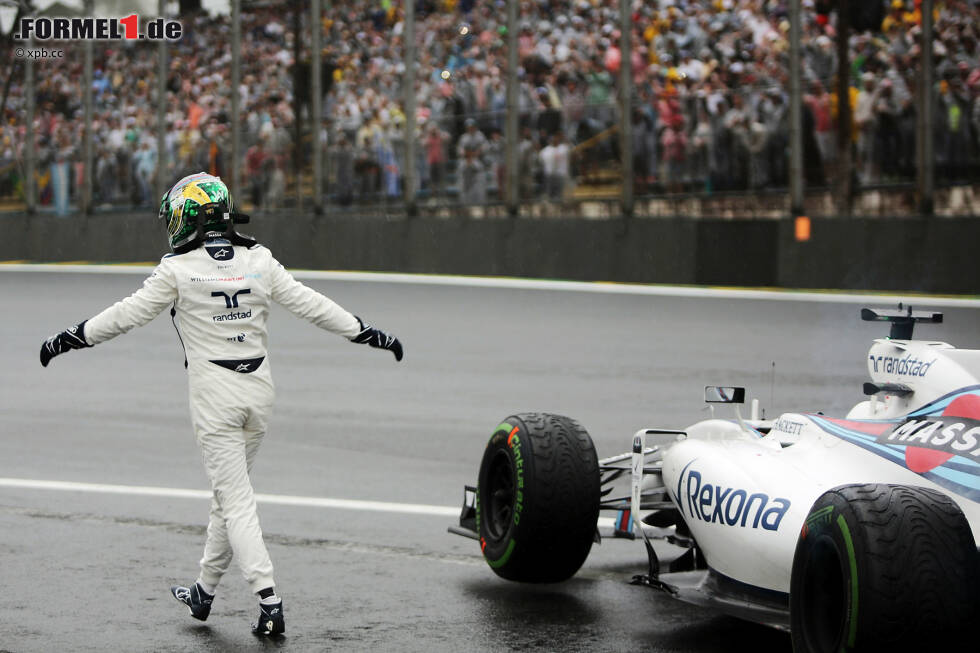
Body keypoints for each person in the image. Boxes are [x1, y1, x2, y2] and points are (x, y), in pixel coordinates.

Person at [38, 172, 403, 636]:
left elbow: (124, 316)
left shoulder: (178, 269)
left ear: (189, 218)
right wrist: (368, 333)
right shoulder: (259, 259)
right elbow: (312, 304)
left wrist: (68, 339)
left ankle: (269, 603)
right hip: (259, 395)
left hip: (215, 399)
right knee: (227, 498)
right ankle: (203, 592)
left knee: (236, 502)